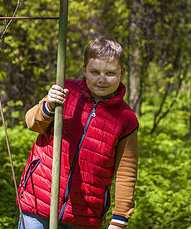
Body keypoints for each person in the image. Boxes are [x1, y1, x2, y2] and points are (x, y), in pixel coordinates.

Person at [17, 36, 139, 229]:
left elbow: (126, 172)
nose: (102, 79)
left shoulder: (126, 119)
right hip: (38, 202)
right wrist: (48, 106)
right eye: (95, 71)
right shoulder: (66, 91)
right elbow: (32, 123)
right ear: (84, 70)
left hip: (84, 216)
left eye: (110, 73)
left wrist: (120, 219)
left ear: (122, 72)